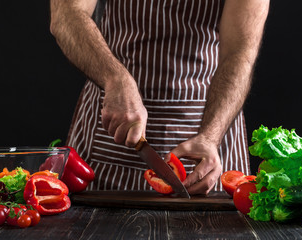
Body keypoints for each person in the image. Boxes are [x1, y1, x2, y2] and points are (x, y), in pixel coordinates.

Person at [49, 0, 269, 195]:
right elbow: (66, 13)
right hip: (110, 134)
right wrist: (115, 78)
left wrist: (211, 137)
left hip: (212, 136)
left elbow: (239, 52)